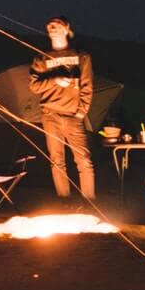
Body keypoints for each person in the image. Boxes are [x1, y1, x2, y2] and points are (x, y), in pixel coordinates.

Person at [29, 15, 95, 204]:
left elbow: (87, 85)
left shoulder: (81, 56)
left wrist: (81, 112)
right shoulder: (41, 58)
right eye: (50, 25)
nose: (52, 27)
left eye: (57, 25)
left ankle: (89, 203)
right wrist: (54, 80)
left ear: (67, 29)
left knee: (84, 160)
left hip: (73, 115)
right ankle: (64, 202)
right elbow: (34, 86)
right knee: (57, 161)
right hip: (50, 115)